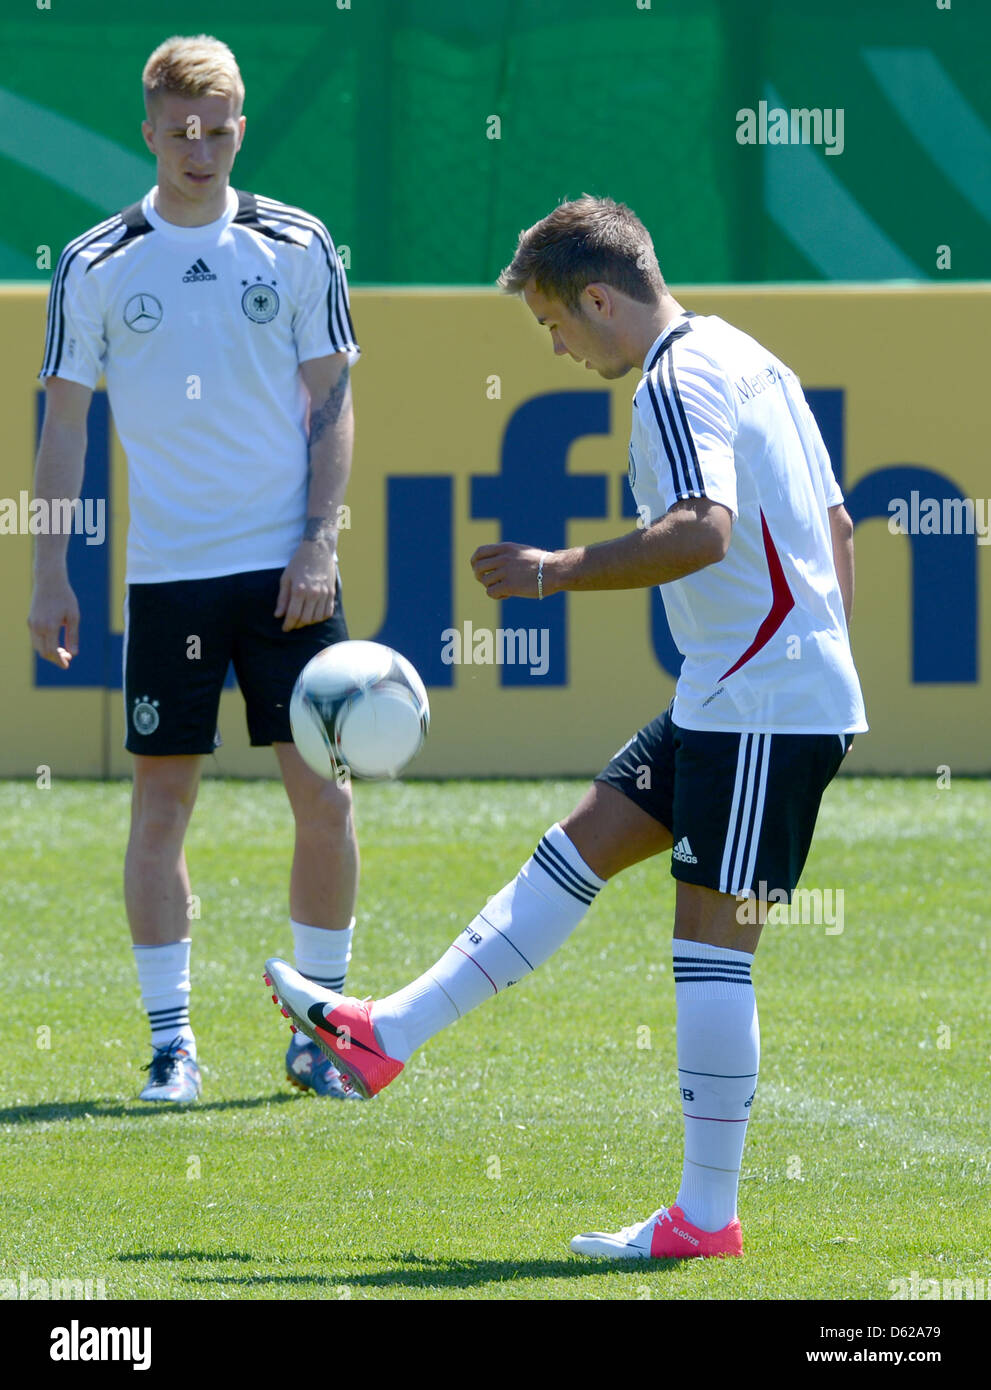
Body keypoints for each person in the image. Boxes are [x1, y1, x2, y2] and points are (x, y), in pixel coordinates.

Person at [264, 195, 868, 1257]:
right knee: (577, 845)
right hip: (739, 691)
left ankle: (704, 1218)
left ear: (597, 297)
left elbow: (700, 530)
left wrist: (552, 572)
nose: (553, 347)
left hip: (760, 699)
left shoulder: (676, 377)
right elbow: (835, 526)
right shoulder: (746, 355)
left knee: (712, 953)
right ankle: (385, 1032)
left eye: (552, 323)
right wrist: (811, 660)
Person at [30, 34, 364, 1103]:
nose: (200, 148)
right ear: (149, 132)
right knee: (161, 807)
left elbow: (335, 401)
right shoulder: (95, 262)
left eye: (218, 130)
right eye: (181, 130)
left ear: (241, 128)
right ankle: (172, 1043)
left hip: (287, 573)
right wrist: (51, 571)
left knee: (325, 798)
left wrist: (320, 538)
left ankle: (325, 1030)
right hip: (167, 578)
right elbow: (65, 428)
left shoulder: (297, 242)